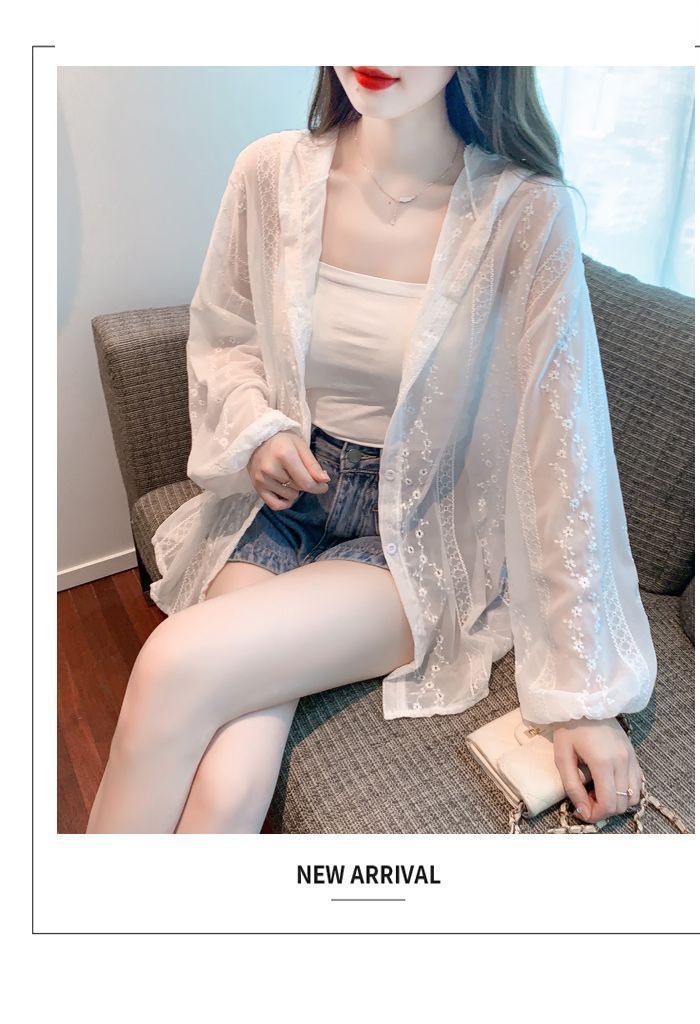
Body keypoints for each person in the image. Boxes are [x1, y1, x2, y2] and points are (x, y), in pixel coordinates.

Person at [86, 66, 656, 834]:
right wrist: (258, 429)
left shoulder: (524, 211)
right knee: (228, 781)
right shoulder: (269, 173)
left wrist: (584, 699)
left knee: (172, 664)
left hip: (412, 535)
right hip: (281, 502)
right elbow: (225, 337)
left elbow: (564, 449)